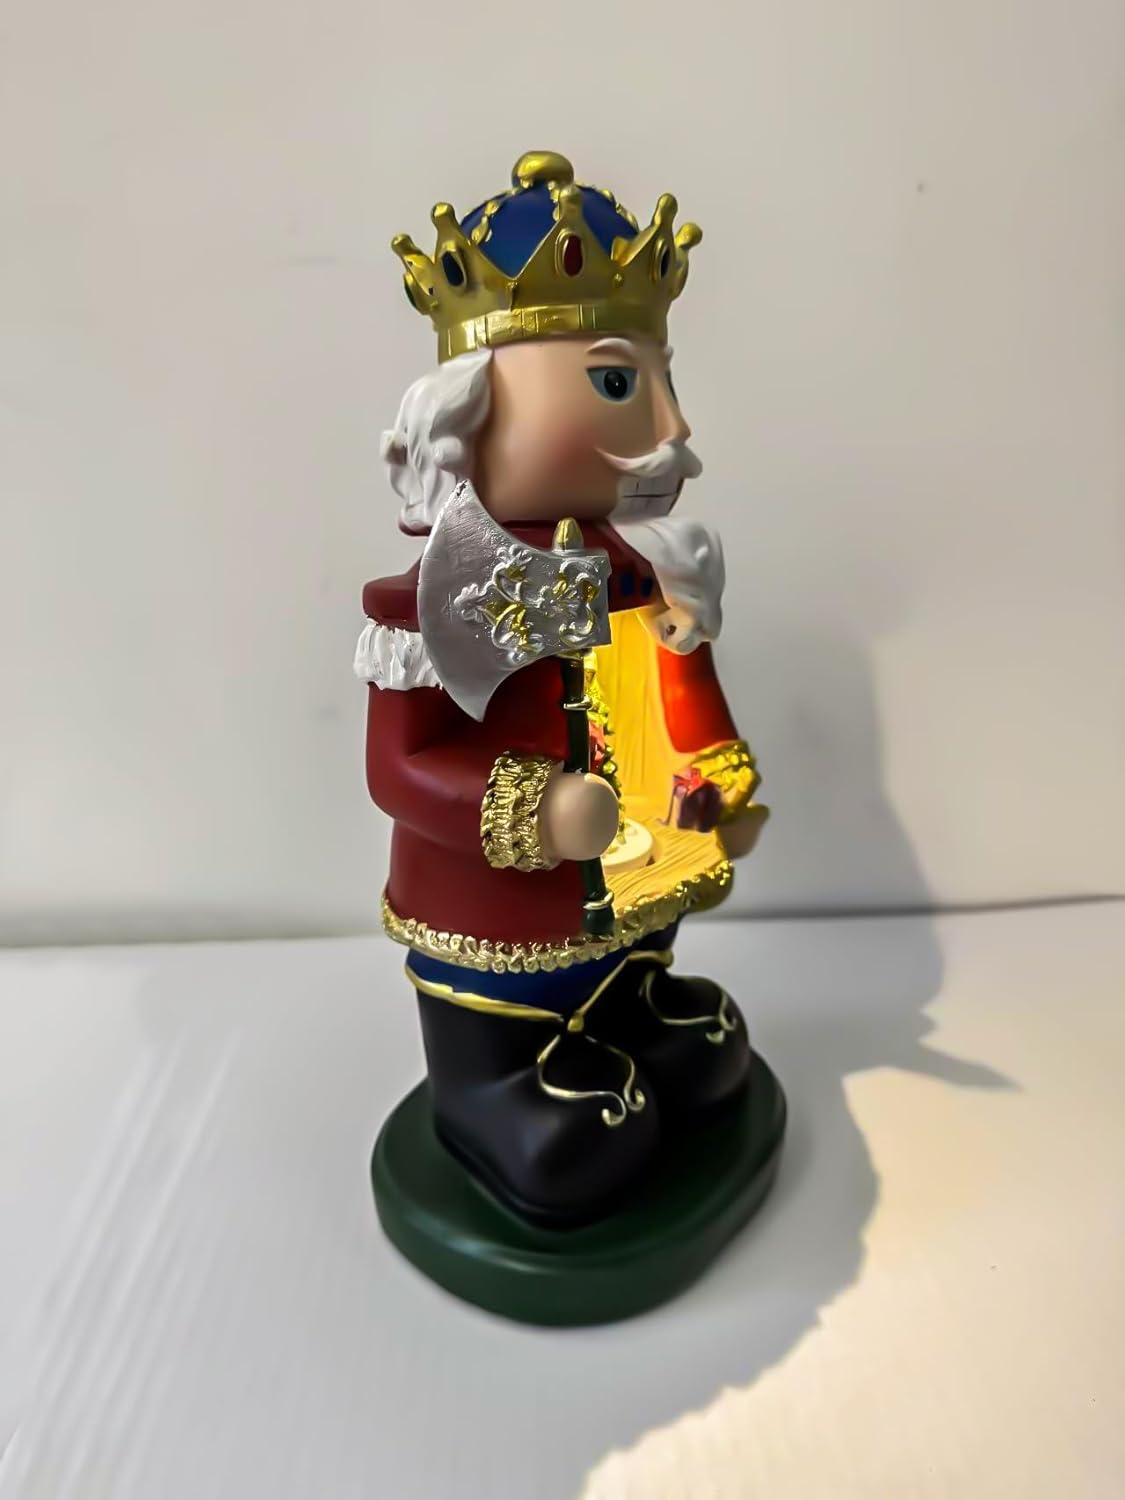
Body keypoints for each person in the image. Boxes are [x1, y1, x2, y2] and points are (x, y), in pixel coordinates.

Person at [357, 151, 768, 1226]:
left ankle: (629, 1011)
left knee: (692, 1044)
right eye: (619, 383)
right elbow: (399, 768)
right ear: (474, 408)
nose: (673, 428)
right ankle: (488, 1084)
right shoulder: (431, 603)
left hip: (635, 892)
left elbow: (677, 701)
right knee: (572, 1143)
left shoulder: (652, 571)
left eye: (661, 382)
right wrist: (531, 811)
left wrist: (715, 787)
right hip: (497, 919)